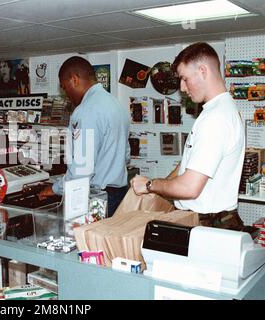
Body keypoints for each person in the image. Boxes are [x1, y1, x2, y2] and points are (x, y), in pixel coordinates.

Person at [131, 42, 246, 230]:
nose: (182, 88)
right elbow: (188, 164)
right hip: (207, 220)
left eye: (184, 79)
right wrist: (161, 187)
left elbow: (189, 188)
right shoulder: (219, 110)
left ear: (202, 71)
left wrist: (150, 184)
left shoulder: (215, 119)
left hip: (209, 224)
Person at [39, 56, 131, 216]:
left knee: (86, 241)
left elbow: (82, 168)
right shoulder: (116, 105)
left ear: (74, 80)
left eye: (64, 87)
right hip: (120, 193)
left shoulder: (86, 110)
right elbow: (126, 155)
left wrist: (55, 189)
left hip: (98, 197)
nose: (66, 93)